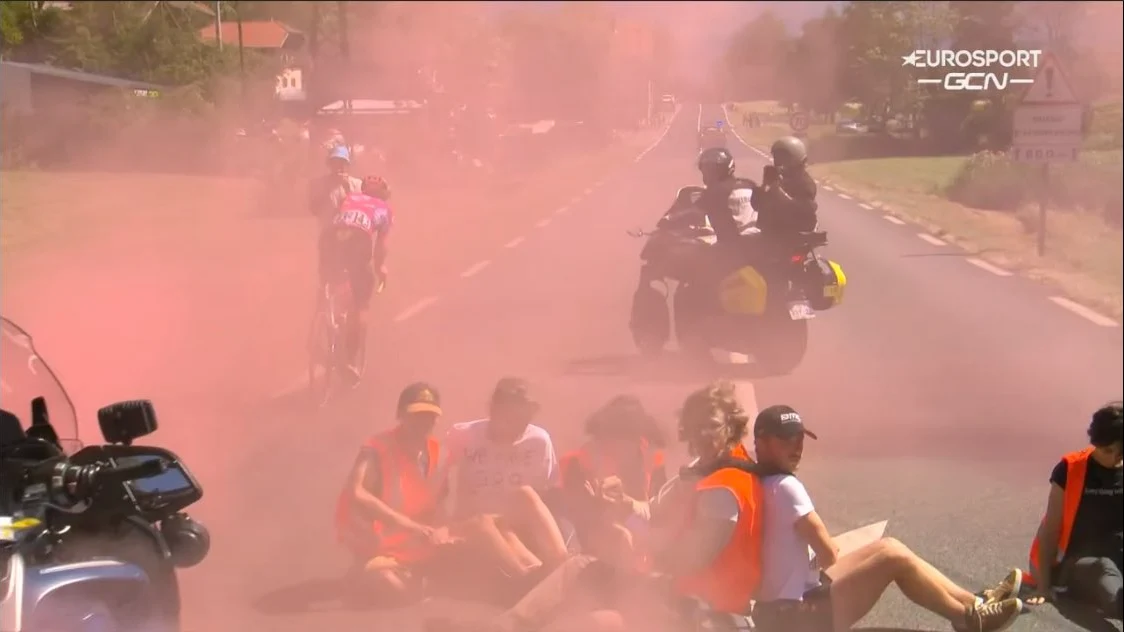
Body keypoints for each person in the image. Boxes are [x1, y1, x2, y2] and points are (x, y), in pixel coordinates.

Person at [427, 380, 772, 632]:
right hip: (676, 595)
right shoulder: (704, 470)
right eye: (694, 428)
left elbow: (682, 557)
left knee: (591, 613)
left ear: (732, 428)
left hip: (702, 612)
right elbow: (652, 510)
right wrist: (625, 504)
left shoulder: (724, 489)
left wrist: (631, 529)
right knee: (581, 572)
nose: (702, 436)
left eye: (711, 427)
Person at [749, 404, 1025, 632]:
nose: (796, 447)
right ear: (760, 441)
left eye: (799, 439)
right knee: (893, 560)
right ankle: (968, 619)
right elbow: (828, 553)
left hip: (779, 610)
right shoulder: (785, 487)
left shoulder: (759, 479)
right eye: (786, 440)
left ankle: (975, 602)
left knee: (888, 546)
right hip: (798, 618)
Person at [334, 383, 568, 605]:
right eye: (416, 415)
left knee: (499, 523)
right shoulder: (378, 447)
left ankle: (544, 576)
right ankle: (525, 581)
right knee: (391, 584)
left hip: (424, 541)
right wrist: (415, 527)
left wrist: (442, 528)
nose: (423, 422)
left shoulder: (436, 452)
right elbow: (357, 492)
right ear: (400, 415)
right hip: (382, 543)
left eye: (429, 416)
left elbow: (437, 502)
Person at [445, 377, 572, 575]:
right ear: (493, 411)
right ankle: (529, 576)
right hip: (476, 522)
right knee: (491, 525)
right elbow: (436, 476)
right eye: (513, 418)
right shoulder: (463, 436)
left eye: (525, 418)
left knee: (525, 494)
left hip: (514, 520)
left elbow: (543, 491)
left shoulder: (538, 441)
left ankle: (561, 566)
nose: (521, 425)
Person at [1023, 401, 1122, 620]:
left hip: (1119, 553)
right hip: (1082, 562)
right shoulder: (1070, 469)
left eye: (1121, 452)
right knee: (1104, 570)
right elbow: (1050, 528)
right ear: (1096, 442)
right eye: (1109, 450)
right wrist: (1044, 586)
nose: (1116, 457)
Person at [560, 395, 669, 569]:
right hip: (590, 534)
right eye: (614, 435)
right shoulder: (581, 462)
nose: (619, 444)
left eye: (628, 436)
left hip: (639, 526)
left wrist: (630, 513)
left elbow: (658, 512)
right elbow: (579, 518)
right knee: (621, 536)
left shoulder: (652, 459)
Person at [318, 175, 394, 379]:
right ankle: (349, 358)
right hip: (358, 240)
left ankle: (320, 319)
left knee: (329, 278)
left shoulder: (350, 198)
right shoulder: (383, 208)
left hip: (330, 237)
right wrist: (380, 268)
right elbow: (382, 246)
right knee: (361, 304)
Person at [308, 144, 363, 228]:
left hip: (351, 229)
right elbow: (314, 209)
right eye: (335, 164)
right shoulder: (318, 184)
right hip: (327, 229)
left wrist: (347, 187)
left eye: (341, 164)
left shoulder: (358, 184)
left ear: (347, 165)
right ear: (330, 165)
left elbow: (360, 209)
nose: (338, 168)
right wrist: (327, 190)